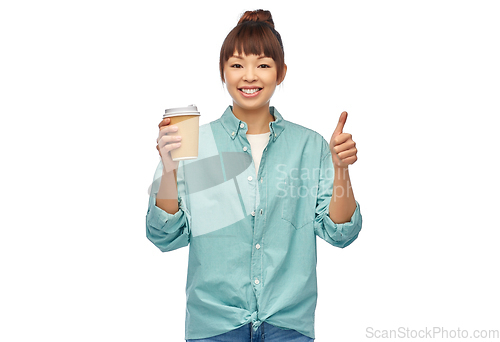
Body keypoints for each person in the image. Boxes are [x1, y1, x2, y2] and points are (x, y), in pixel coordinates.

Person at [147, 9, 363, 342]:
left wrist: (340, 169)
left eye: (262, 65)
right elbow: (164, 236)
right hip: (214, 325)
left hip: (288, 325)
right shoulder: (193, 144)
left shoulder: (310, 146)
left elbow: (340, 234)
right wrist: (170, 168)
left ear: (281, 73)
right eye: (237, 65)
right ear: (223, 71)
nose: (249, 76)